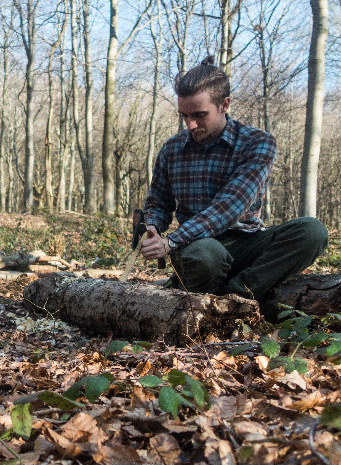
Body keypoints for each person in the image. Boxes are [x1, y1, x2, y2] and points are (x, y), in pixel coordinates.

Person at [139, 55, 328, 301]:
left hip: (247, 242)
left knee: (312, 231)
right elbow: (158, 202)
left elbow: (229, 207)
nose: (190, 125)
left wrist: (171, 241)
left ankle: (236, 297)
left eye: (199, 115)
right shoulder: (172, 149)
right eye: (184, 116)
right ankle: (219, 296)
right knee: (206, 255)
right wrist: (152, 225)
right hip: (197, 249)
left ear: (224, 104)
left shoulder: (257, 143)